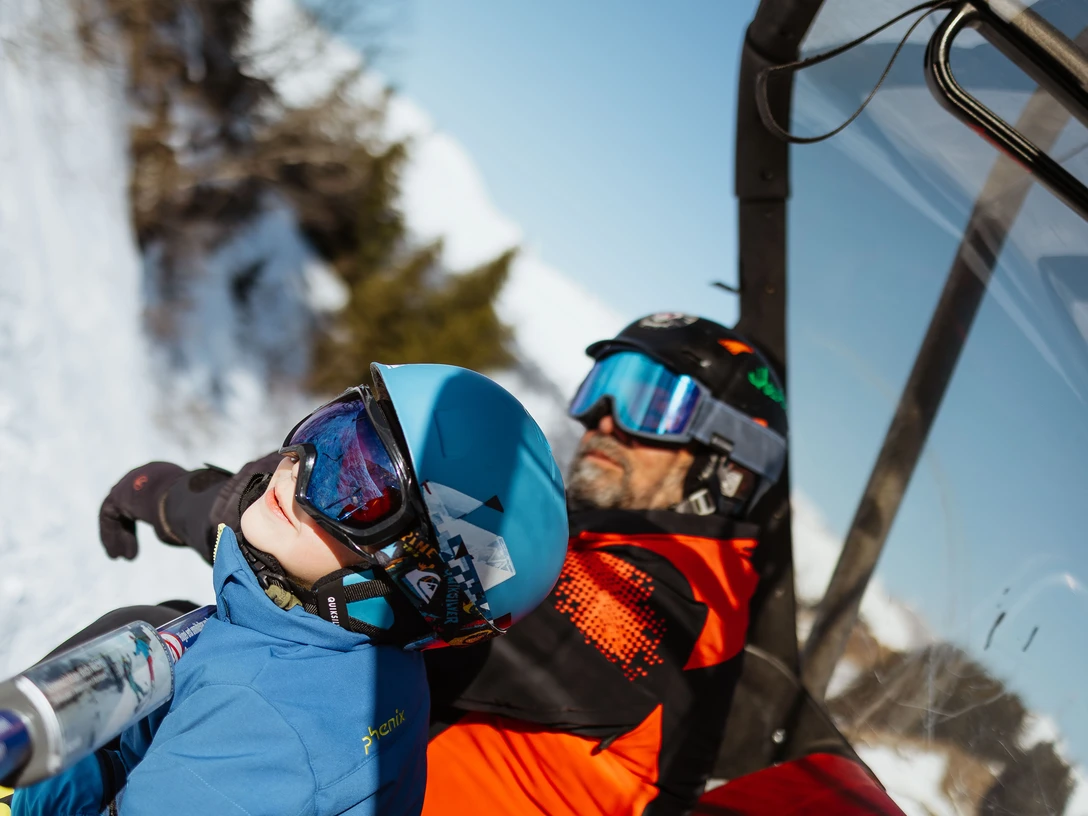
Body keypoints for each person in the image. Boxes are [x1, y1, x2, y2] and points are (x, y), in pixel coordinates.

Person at [86, 314, 788, 815]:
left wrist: (185, 498)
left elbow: (370, 574)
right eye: (602, 383)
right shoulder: (613, 552)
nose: (600, 418)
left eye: (653, 402)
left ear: (731, 460)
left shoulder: (675, 604)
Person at [10, 363, 568, 816]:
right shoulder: (363, 663)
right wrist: (156, 492)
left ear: (418, 581)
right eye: (333, 431)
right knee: (154, 627)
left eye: (362, 488)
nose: (298, 467)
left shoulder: (263, 733)